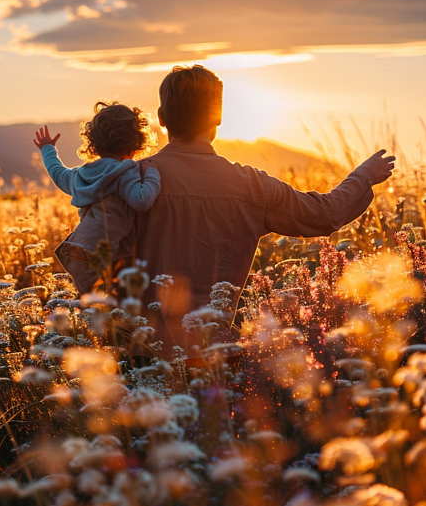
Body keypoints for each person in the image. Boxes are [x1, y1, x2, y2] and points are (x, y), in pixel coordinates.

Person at [117, 64, 395, 327]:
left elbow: (84, 255)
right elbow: (325, 214)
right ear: (218, 116)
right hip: (214, 353)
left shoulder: (127, 180)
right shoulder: (250, 186)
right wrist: (364, 176)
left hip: (139, 357)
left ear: (162, 118)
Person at [33, 102, 160, 285]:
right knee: (116, 307)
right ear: (134, 146)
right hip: (114, 259)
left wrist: (48, 149)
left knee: (91, 306)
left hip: (80, 251)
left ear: (93, 145)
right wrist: (151, 172)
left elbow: (58, 173)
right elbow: (142, 200)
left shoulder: (81, 175)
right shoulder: (125, 173)